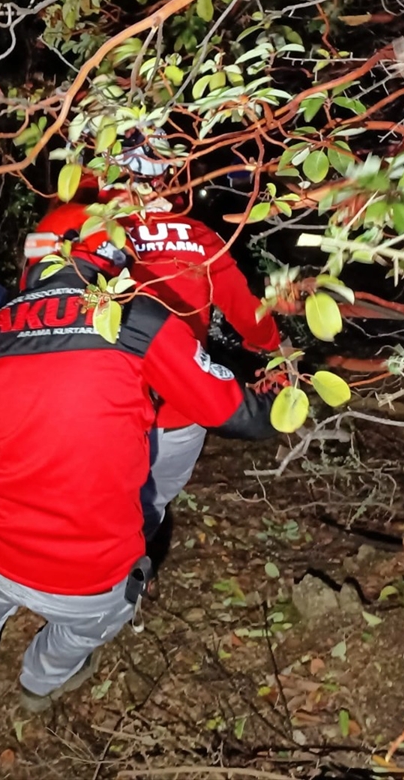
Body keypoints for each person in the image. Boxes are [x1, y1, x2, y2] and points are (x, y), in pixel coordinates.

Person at [0, 207, 278, 727]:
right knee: (84, 629)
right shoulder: (138, 318)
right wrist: (291, 399)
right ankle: (39, 683)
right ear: (111, 260)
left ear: (34, 259)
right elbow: (239, 415)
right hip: (91, 575)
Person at [107, 130, 282, 543]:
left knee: (97, 499)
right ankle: (132, 566)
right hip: (180, 408)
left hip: (106, 405)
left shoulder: (95, 238)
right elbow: (250, 316)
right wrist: (275, 356)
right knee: (150, 504)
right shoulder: (201, 240)